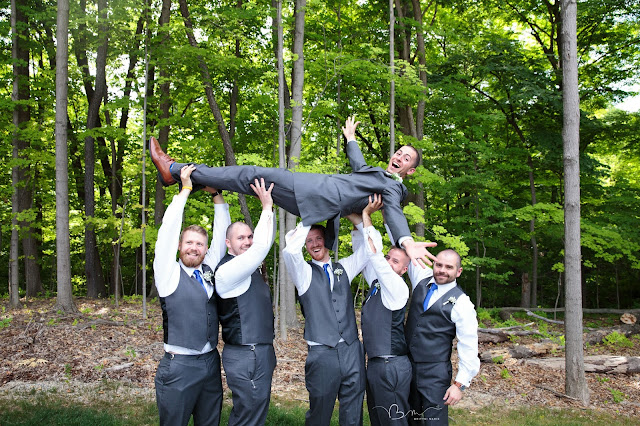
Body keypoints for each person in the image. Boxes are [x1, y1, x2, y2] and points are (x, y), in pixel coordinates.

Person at [148, 117, 436, 267]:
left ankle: (174, 170)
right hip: (312, 196)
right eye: (399, 152)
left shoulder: (393, 188)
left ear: (409, 171)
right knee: (248, 181)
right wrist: (350, 139)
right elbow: (359, 167)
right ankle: (198, 181)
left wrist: (407, 241)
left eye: (406, 158)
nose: (399, 156)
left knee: (250, 174)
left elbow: (395, 214)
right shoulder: (379, 176)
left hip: (312, 191)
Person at [153, 164, 230, 426]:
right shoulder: (168, 272)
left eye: (199, 244)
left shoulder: (209, 269)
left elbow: (222, 235)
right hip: (179, 367)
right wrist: (185, 189)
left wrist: (217, 196)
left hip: (210, 363)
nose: (194, 248)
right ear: (179, 246)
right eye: (189, 243)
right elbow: (167, 230)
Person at [282, 218, 373, 426]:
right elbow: (289, 251)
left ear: (327, 241)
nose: (314, 244)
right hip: (322, 354)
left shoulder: (344, 268)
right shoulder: (304, 274)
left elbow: (369, 249)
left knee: (353, 411)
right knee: (319, 414)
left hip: (352, 350)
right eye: (309, 241)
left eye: (318, 239)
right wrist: (309, 217)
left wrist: (358, 218)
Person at [214, 178, 277, 426]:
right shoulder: (227, 271)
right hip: (245, 355)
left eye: (250, 236)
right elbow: (262, 247)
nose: (248, 241)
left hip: (260, 353)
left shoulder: (250, 268)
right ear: (228, 243)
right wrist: (266, 206)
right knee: (247, 416)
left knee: (255, 414)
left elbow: (264, 243)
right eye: (241, 238)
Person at [348, 194, 412, 426]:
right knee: (378, 420)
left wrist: (366, 215)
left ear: (404, 270)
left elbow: (374, 256)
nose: (387, 262)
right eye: (388, 257)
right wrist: (351, 214)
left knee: (393, 422)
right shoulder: (377, 283)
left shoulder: (397, 287)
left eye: (395, 261)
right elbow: (366, 251)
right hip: (376, 365)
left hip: (391, 366)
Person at [404, 249, 479, 425]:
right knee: (406, 418)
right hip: (407, 367)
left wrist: (460, 384)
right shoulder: (420, 280)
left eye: (449, 267)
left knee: (434, 421)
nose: (442, 270)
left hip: (435, 373)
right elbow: (403, 244)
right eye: (439, 265)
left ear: (458, 271)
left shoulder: (462, 303)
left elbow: (468, 345)